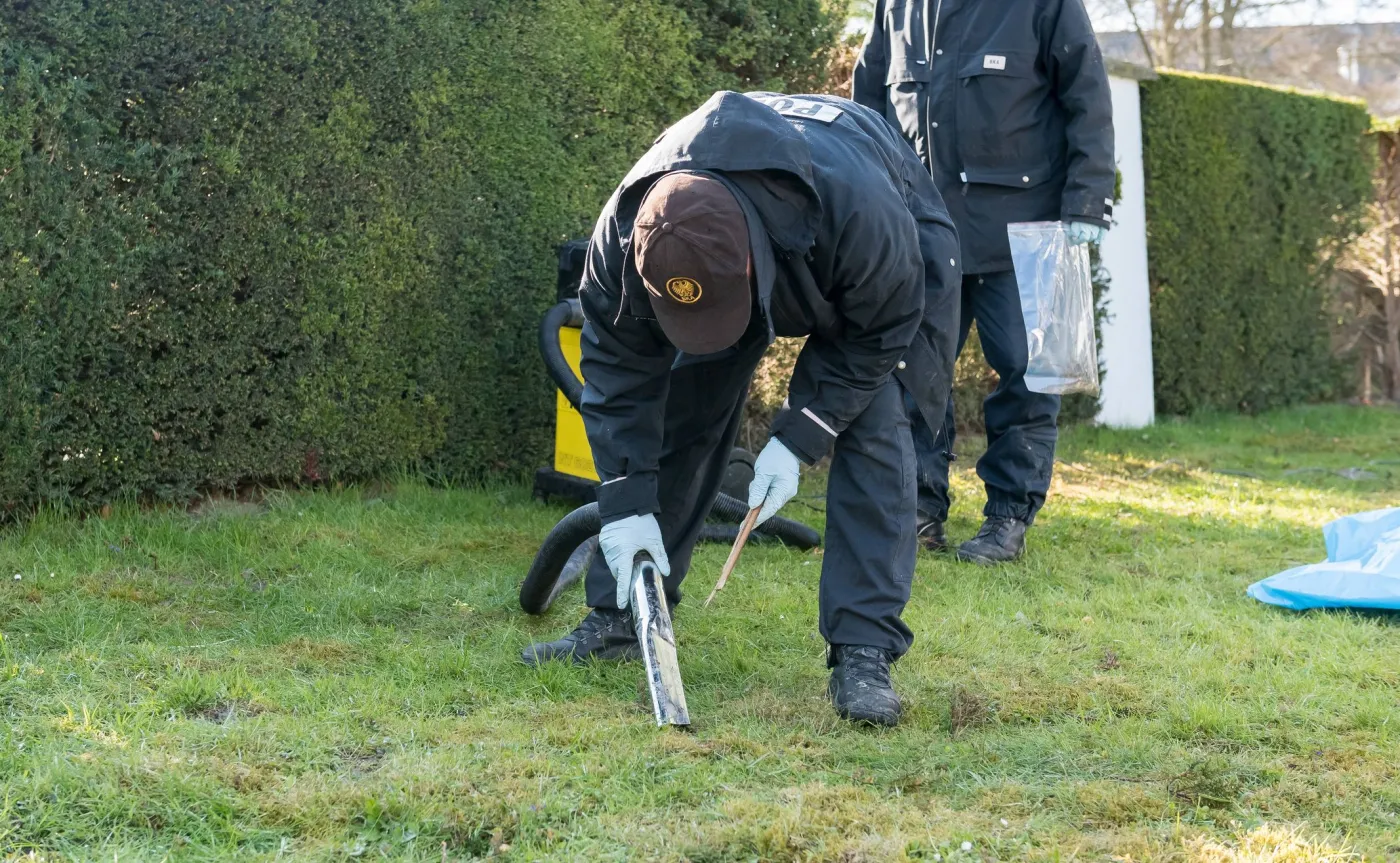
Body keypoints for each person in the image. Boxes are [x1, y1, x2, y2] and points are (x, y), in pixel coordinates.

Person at [520, 90, 960, 727]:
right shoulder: (623, 238)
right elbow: (618, 380)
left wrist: (802, 433)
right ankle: (624, 616)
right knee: (683, 405)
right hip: (746, 242)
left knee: (875, 420)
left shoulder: (861, 215)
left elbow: (881, 332)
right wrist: (622, 502)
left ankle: (863, 650)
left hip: (869, 229)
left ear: (756, 257)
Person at [852, 0, 1115, 563]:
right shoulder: (896, 7)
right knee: (914, 374)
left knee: (1030, 372)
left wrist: (1087, 203)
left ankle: (1008, 519)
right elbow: (870, 107)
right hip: (922, 230)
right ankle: (917, 510)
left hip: (1028, 228)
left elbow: (1087, 97)